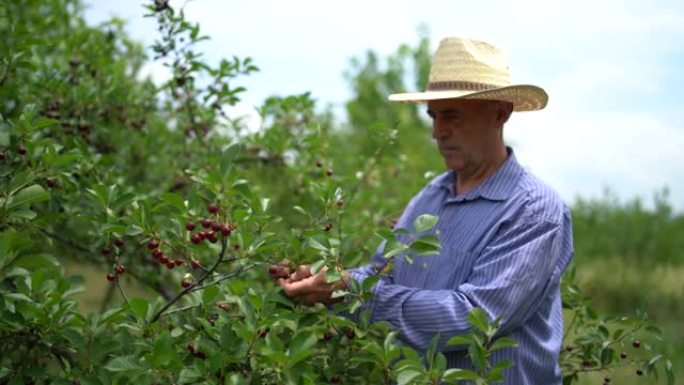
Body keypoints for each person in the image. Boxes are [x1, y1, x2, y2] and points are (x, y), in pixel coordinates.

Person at [269, 37, 574, 384]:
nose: (437, 132)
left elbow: (475, 317)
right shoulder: (431, 196)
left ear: (499, 112)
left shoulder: (534, 211)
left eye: (451, 116)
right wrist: (322, 280)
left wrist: (348, 291)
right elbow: (381, 273)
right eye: (433, 115)